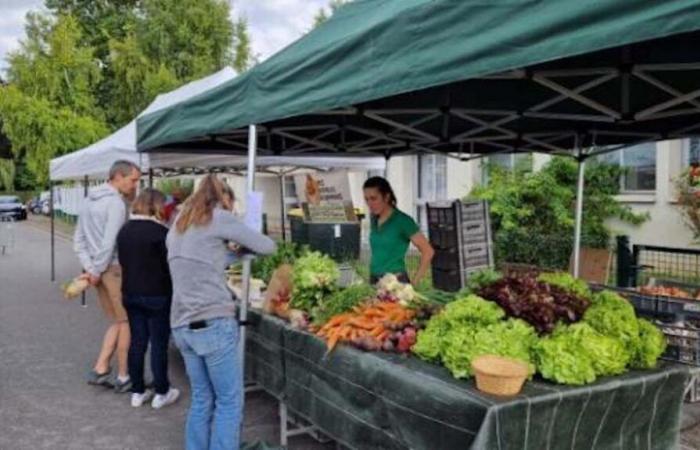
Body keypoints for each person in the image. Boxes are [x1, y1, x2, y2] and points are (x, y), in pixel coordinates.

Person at [167, 175, 276, 450]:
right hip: (213, 321)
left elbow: (205, 259)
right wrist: (242, 241)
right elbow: (267, 246)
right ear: (223, 199)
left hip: (181, 323)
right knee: (229, 402)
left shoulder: (178, 225)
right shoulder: (220, 218)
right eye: (231, 203)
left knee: (203, 399)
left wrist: (236, 254)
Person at [74, 160, 141, 392]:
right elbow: (109, 242)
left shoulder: (87, 200)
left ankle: (101, 368)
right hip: (113, 270)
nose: (135, 185)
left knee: (118, 320)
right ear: (118, 177)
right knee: (126, 322)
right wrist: (96, 269)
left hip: (99, 270)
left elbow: (79, 241)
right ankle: (124, 377)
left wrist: (90, 268)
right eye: (133, 180)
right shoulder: (116, 204)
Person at [116, 188, 179, 409]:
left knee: (137, 342)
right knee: (158, 344)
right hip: (157, 295)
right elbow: (169, 267)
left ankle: (137, 391)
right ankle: (161, 391)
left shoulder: (124, 231)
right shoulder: (162, 234)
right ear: (157, 206)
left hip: (130, 293)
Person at [363, 176, 434, 286]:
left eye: (373, 198)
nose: (369, 204)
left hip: (396, 282)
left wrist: (415, 283)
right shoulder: (374, 219)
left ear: (386, 197)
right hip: (374, 280)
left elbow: (428, 251)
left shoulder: (403, 221)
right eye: (366, 199)